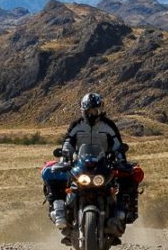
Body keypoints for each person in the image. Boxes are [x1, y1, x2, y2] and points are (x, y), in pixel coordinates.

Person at [42, 92, 138, 236]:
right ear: (83, 110)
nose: (92, 113)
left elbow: (117, 144)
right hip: (81, 164)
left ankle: (121, 212)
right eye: (89, 110)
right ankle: (60, 211)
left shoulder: (108, 126)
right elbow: (68, 142)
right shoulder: (76, 125)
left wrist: (120, 159)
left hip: (103, 164)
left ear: (100, 109)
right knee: (55, 176)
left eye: (95, 110)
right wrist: (66, 156)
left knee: (127, 177)